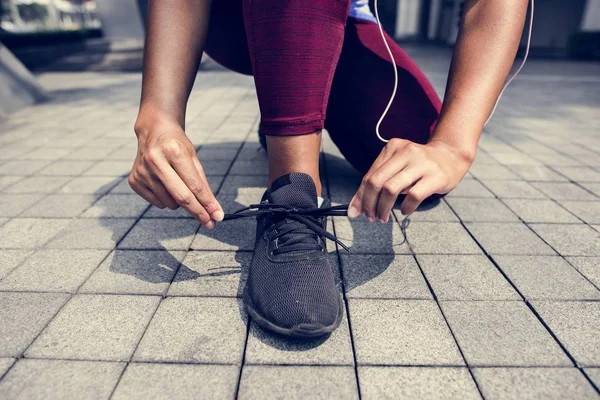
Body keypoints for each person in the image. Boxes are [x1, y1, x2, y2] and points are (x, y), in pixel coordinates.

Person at [129, 0, 529, 337]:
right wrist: (160, 114)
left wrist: (452, 146)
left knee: (420, 181)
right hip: (228, 15)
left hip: (347, 21)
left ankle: (296, 96)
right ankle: (292, 198)